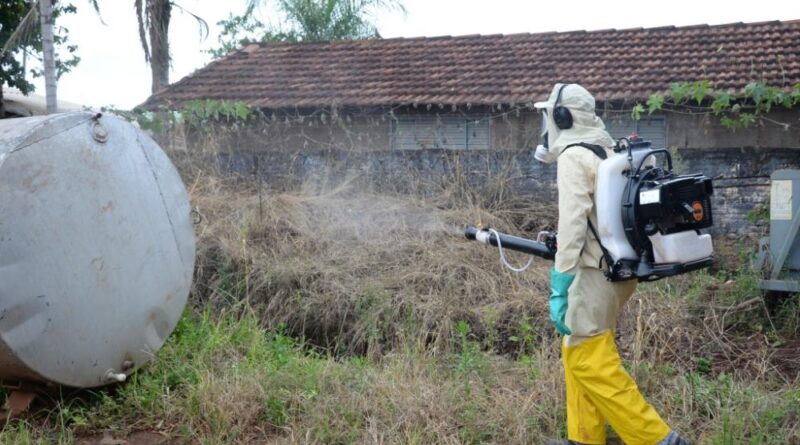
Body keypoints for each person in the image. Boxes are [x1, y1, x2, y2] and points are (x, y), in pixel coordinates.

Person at [534, 83, 690, 445]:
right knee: (578, 346)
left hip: (595, 273)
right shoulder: (607, 150)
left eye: (549, 115)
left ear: (562, 116)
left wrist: (560, 279)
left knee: (588, 358)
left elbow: (574, 224)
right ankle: (584, 437)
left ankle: (657, 439)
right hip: (621, 269)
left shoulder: (574, 155)